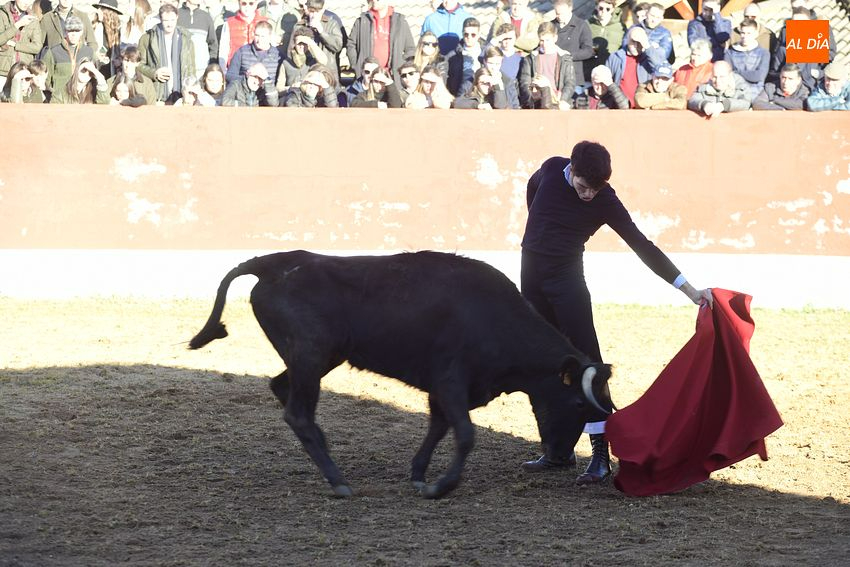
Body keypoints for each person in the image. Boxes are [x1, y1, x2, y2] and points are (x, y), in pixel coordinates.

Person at [519, 140, 713, 484]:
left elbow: (642, 245)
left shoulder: (604, 199)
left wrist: (689, 290)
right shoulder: (550, 169)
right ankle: (558, 450)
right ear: (571, 169)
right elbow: (533, 191)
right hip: (531, 282)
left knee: (588, 365)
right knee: (543, 365)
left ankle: (600, 457)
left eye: (595, 189)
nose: (588, 195)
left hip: (567, 284)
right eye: (583, 187)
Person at [346, 0, 414, 86]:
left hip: (392, 78)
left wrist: (400, 65)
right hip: (367, 77)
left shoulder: (400, 22)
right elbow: (350, 45)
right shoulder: (362, 21)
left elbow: (410, 49)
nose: (374, 1)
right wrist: (357, 66)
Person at [138, 3, 196, 104]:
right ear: (160, 19)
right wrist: (154, 73)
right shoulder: (147, 38)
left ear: (177, 17)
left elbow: (191, 69)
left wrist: (190, 92)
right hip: (157, 95)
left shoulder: (187, 39)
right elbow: (138, 65)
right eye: (166, 20)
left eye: (172, 20)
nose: (169, 24)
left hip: (181, 96)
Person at [770, 7, 835, 92]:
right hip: (788, 87)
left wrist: (816, 73)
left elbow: (828, 66)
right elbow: (774, 71)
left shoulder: (818, 40)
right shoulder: (784, 45)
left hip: (811, 86)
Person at [518, 21, 575, 110]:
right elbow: (525, 82)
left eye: (547, 40)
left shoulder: (565, 58)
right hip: (537, 101)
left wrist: (563, 99)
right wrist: (531, 99)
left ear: (555, 38)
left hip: (557, 101)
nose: (544, 44)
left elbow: (570, 83)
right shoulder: (530, 58)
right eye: (542, 40)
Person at [226, 20, 280, 105]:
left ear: (270, 37)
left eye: (263, 36)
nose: (259, 40)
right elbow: (229, 75)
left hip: (268, 101)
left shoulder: (278, 55)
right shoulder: (242, 51)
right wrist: (247, 78)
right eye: (257, 35)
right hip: (245, 99)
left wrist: (266, 80)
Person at [290, 0, 342, 83]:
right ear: (307, 10)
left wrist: (321, 31)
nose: (314, 15)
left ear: (322, 10)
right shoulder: (299, 26)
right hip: (305, 73)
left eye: (317, 12)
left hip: (327, 72)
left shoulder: (331, 24)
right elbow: (290, 51)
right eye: (311, 11)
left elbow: (337, 46)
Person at [42, 15, 93, 96]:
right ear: (65, 32)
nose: (73, 34)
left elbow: (95, 77)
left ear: (81, 32)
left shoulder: (89, 52)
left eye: (77, 31)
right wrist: (53, 94)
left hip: (82, 97)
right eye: (70, 31)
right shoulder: (53, 52)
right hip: (60, 98)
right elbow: (44, 79)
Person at [606, 25, 654, 108]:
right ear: (628, 41)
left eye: (639, 42)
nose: (636, 45)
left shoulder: (649, 58)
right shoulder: (615, 57)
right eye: (633, 41)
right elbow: (607, 81)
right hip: (619, 106)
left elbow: (659, 65)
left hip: (643, 106)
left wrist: (647, 46)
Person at [0, 0, 42, 92]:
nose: (27, 3)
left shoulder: (33, 18)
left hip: (25, 70)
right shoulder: (2, 14)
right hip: (4, 71)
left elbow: (37, 47)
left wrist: (16, 45)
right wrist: (18, 25)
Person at [549, 0, 592, 85]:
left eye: (562, 13)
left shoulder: (581, 25)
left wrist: (568, 55)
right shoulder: (551, 25)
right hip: (553, 75)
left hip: (574, 76)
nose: (559, 16)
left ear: (570, 9)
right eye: (557, 13)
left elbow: (588, 51)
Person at [724, 18, 768, 101]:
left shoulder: (764, 53)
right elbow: (728, 76)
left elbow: (759, 76)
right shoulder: (730, 53)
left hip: (756, 93)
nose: (745, 36)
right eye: (743, 33)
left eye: (749, 33)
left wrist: (737, 72)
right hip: (736, 93)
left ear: (756, 34)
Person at [219, 0, 268, 73]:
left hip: (259, 69)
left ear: (256, 4)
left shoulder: (265, 22)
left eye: (251, 3)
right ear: (239, 3)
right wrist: (223, 71)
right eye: (244, 3)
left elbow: (270, 48)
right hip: (235, 69)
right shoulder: (229, 23)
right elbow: (223, 49)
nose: (247, 7)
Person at [278, 24, 327, 95]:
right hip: (292, 97)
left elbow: (324, 61)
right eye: (299, 44)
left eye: (304, 44)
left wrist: (310, 42)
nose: (301, 46)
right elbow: (278, 88)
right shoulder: (286, 63)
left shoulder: (313, 62)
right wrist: (290, 88)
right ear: (295, 44)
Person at [585, 0, 624, 83]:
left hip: (610, 72)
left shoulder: (620, 27)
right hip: (589, 71)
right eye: (601, 8)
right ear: (596, 7)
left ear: (613, 9)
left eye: (608, 9)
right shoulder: (587, 24)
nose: (604, 11)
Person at [176, 0, 219, 76]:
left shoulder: (206, 17)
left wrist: (211, 65)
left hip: (201, 70)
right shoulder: (176, 15)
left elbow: (213, 44)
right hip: (179, 68)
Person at [446, 16, 483, 96]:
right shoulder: (452, 56)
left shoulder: (485, 53)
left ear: (479, 34)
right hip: (460, 96)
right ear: (462, 33)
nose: (469, 37)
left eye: (473, 34)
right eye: (466, 34)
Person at [91, 0, 123, 78]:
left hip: (112, 72)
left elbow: (121, 52)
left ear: (109, 12)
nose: (98, 11)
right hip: (96, 71)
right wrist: (96, 55)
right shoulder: (94, 27)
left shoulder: (118, 31)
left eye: (101, 8)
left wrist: (119, 59)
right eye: (98, 8)